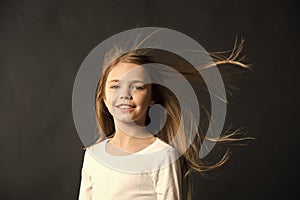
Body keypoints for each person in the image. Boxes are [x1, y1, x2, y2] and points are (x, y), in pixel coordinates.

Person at [78, 38, 252, 200]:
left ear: (151, 98)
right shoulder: (94, 155)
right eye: (115, 86)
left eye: (137, 86)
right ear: (103, 98)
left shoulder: (162, 156)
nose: (125, 94)